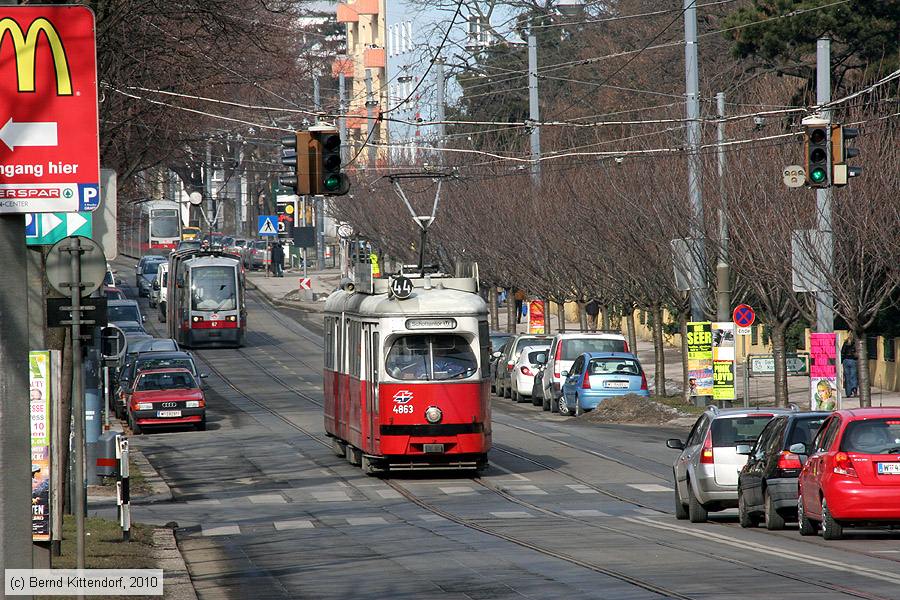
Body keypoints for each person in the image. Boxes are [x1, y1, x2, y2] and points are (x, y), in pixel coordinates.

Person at [841, 333, 858, 398]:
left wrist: (841, 361)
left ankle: (848, 392)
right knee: (853, 375)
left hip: (846, 361)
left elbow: (842, 352)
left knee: (847, 377)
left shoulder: (846, 343)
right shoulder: (855, 343)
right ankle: (854, 388)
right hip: (853, 360)